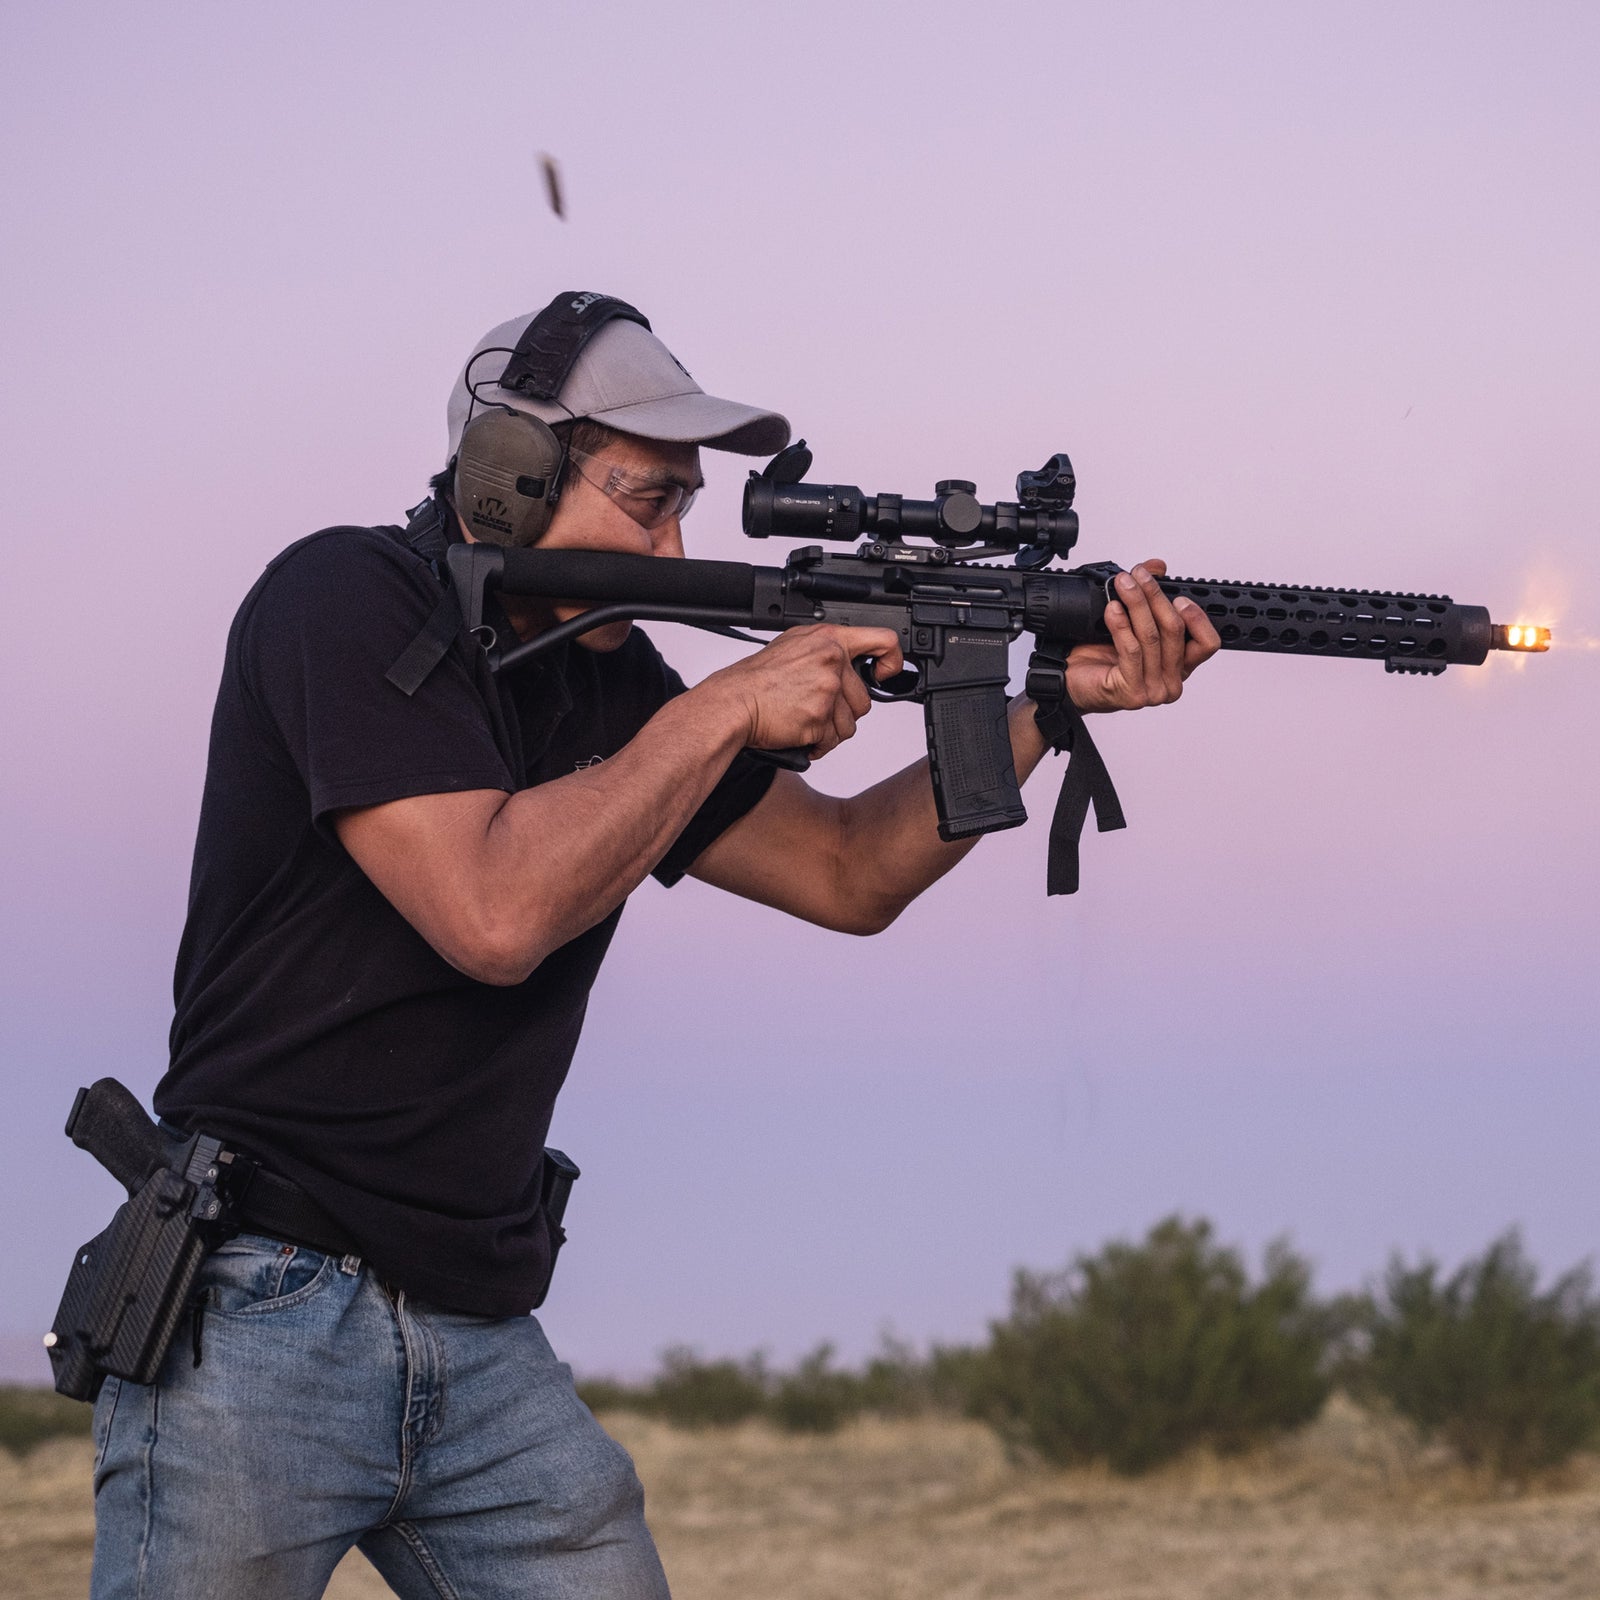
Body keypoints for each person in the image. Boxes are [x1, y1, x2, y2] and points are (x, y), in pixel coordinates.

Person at [90, 293, 1221, 1599]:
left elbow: (847, 872)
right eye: (647, 501)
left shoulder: (608, 679)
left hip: (475, 1317)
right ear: (505, 481)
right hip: (258, 1304)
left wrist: (1047, 704)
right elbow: (493, 916)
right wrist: (730, 704)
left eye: (688, 505)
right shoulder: (341, 599)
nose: (675, 547)